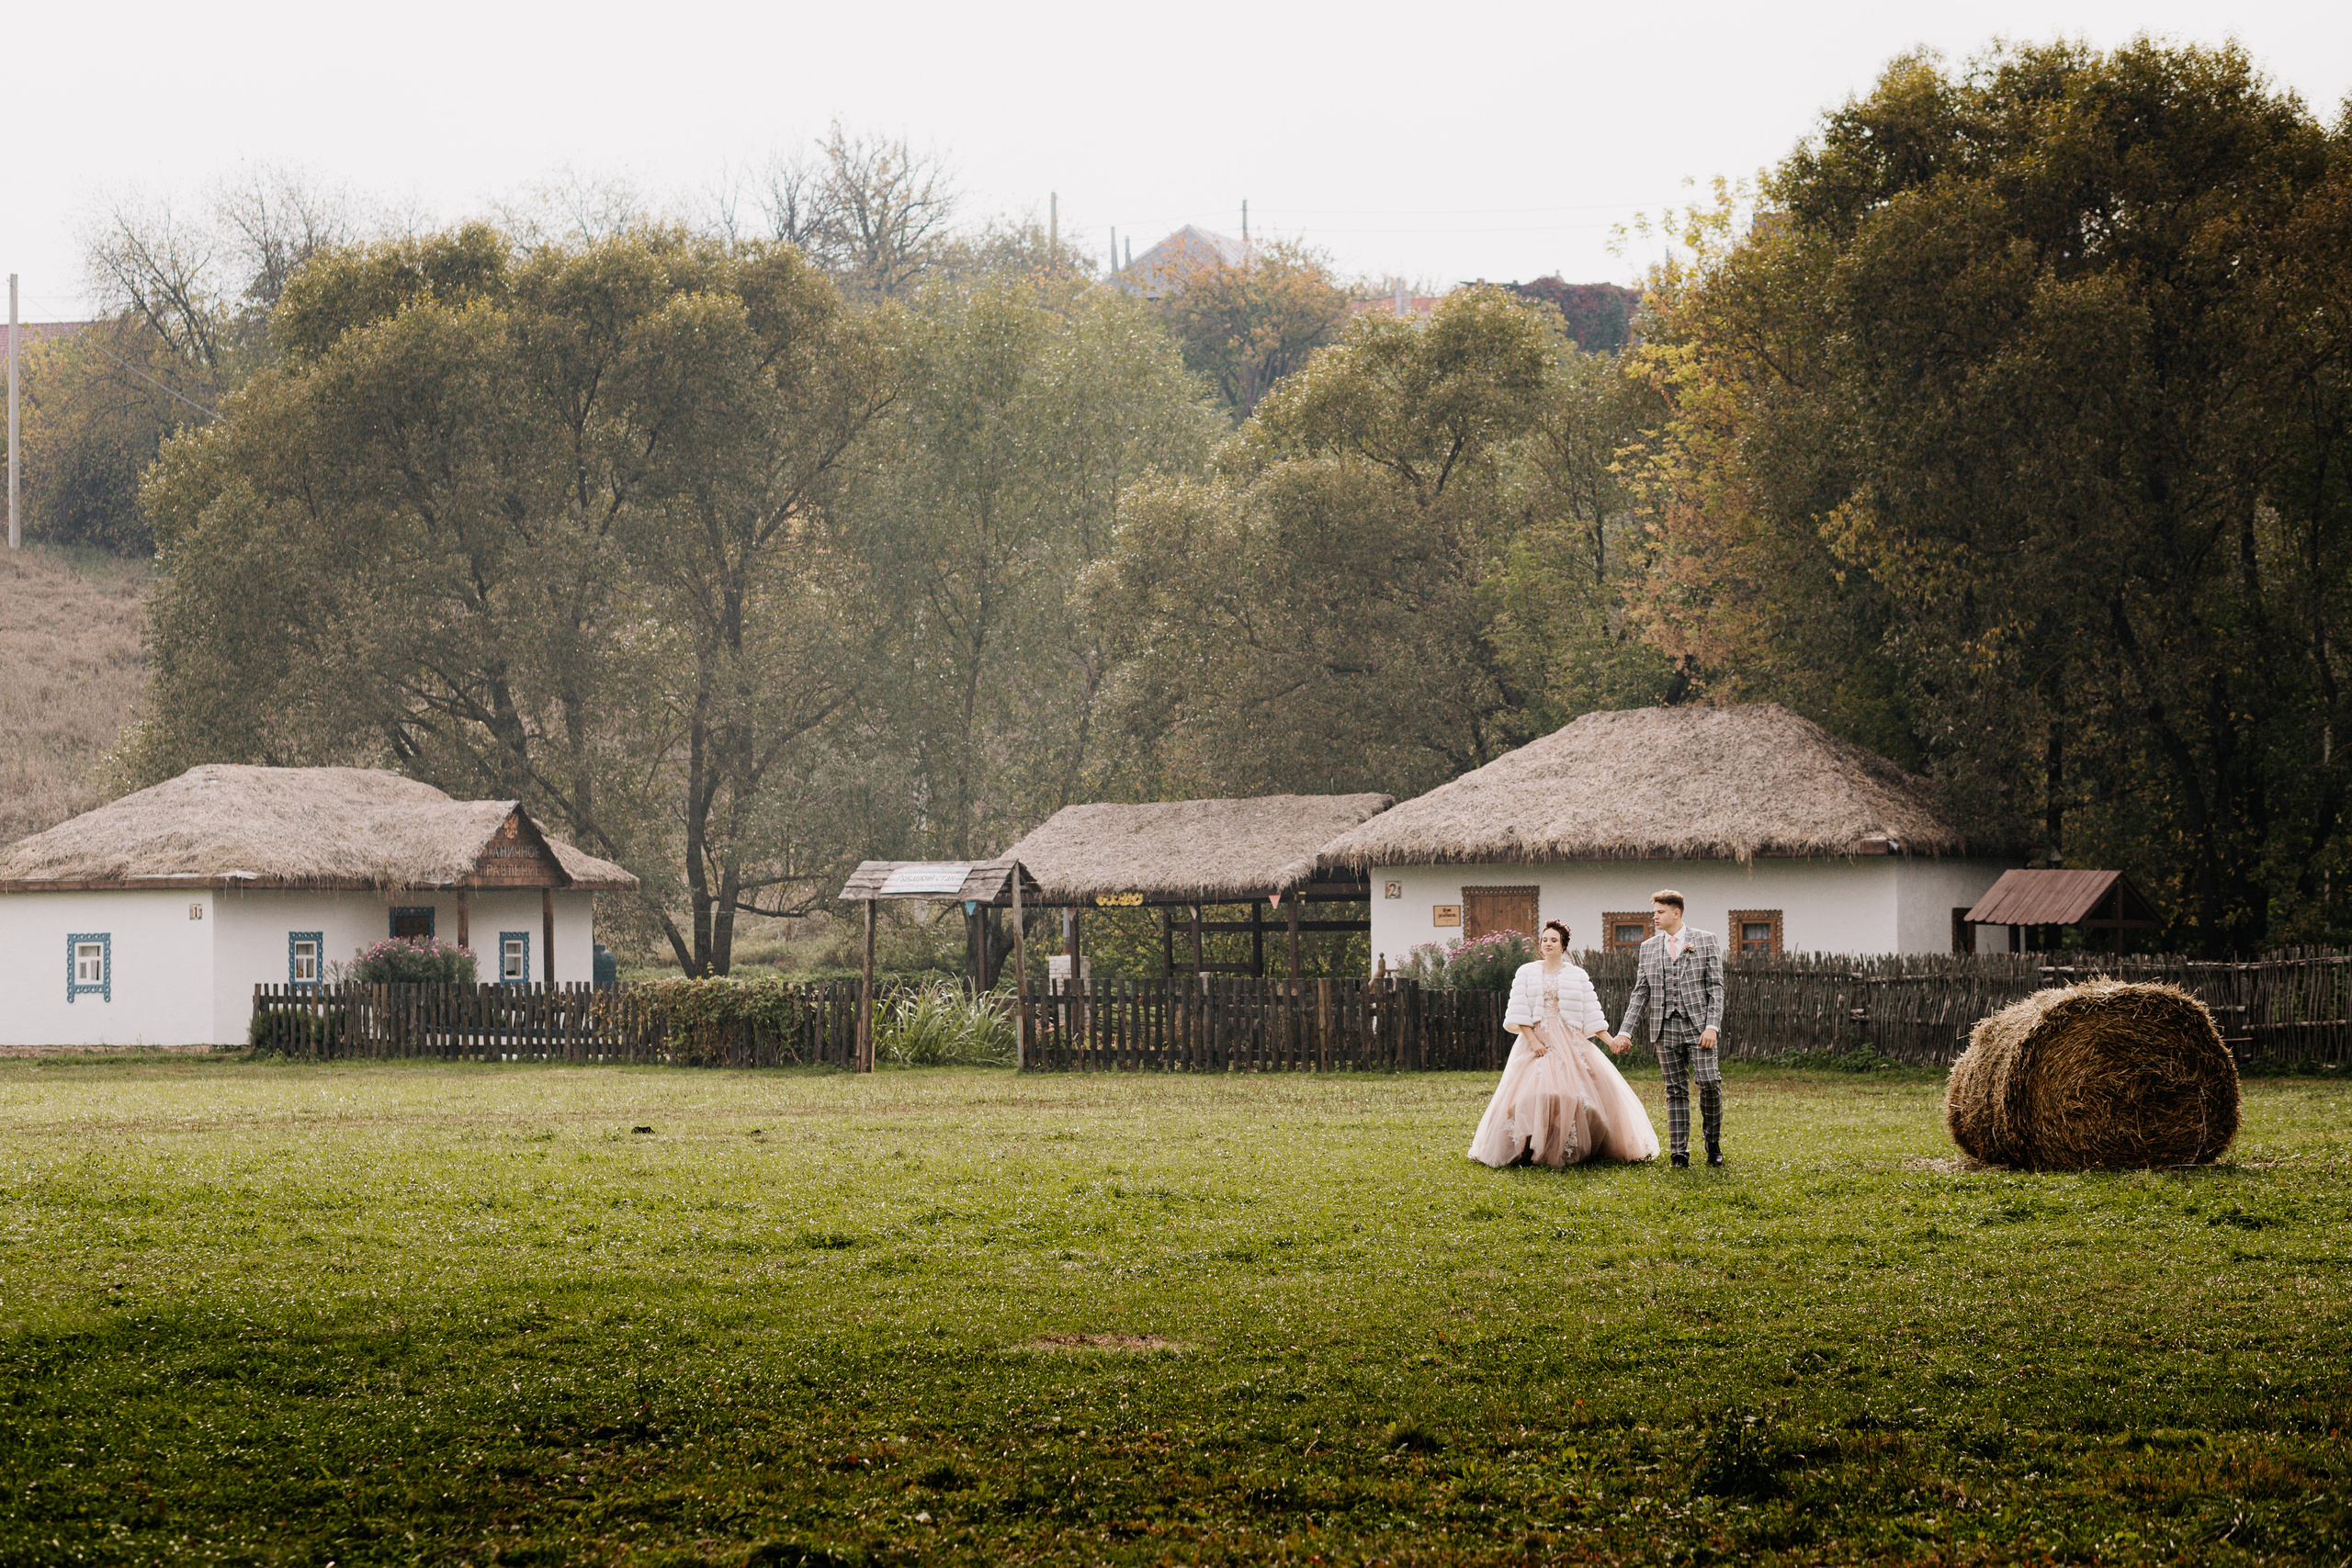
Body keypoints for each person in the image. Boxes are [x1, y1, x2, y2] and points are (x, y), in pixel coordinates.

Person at [1469, 920, 1661, 1168]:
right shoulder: (1526, 972)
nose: (1548, 944)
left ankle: (1573, 1144)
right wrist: (1534, 1041)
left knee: (1576, 1095)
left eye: (1554, 940)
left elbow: (1592, 1014)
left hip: (1570, 1040)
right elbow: (1519, 1011)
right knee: (1531, 1093)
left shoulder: (1577, 975)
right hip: (1537, 1040)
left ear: (1563, 945)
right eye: (1544, 940)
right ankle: (1529, 1145)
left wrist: (1611, 1041)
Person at [1609, 890, 1725, 1168]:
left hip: (1699, 1027)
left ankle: (1712, 1141)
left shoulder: (1705, 940)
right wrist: (1625, 1031)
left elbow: (1716, 988)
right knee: (1675, 1090)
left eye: (1660, 912)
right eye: (1654, 912)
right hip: (1664, 1029)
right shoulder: (1648, 947)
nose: (1655, 917)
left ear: (1676, 912)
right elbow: (1640, 992)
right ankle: (1679, 1152)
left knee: (1709, 1082)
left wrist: (1712, 1026)